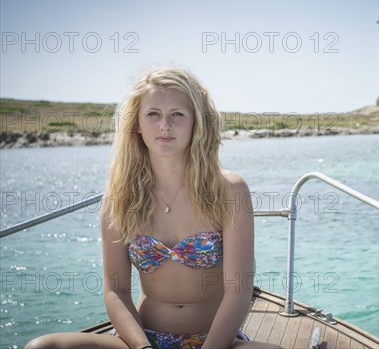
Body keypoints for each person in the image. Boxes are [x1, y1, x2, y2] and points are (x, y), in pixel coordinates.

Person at [26, 68, 281, 349]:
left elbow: (238, 291)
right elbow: (116, 291)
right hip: (142, 341)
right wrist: (142, 347)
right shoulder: (120, 199)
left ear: (196, 122)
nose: (165, 125)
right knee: (41, 347)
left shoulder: (229, 191)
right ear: (136, 123)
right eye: (153, 114)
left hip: (216, 342)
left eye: (177, 114)